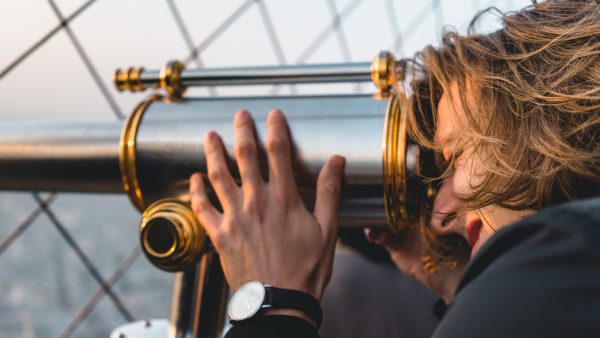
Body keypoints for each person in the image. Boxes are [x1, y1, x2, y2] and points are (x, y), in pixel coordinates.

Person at [188, 0, 600, 337]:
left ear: (543, 131)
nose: (440, 219)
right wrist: (457, 287)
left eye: (455, 157)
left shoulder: (560, 254)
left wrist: (274, 304)